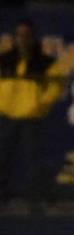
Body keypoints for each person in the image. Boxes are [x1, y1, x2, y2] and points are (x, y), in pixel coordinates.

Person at [0, 18, 63, 208]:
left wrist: (40, 105)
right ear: (14, 37)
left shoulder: (45, 62)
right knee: (2, 157)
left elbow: (55, 87)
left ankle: (35, 197)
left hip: (32, 116)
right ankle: (2, 194)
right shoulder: (4, 60)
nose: (23, 39)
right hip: (6, 114)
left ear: (34, 37)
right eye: (19, 35)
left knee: (33, 159)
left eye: (27, 35)